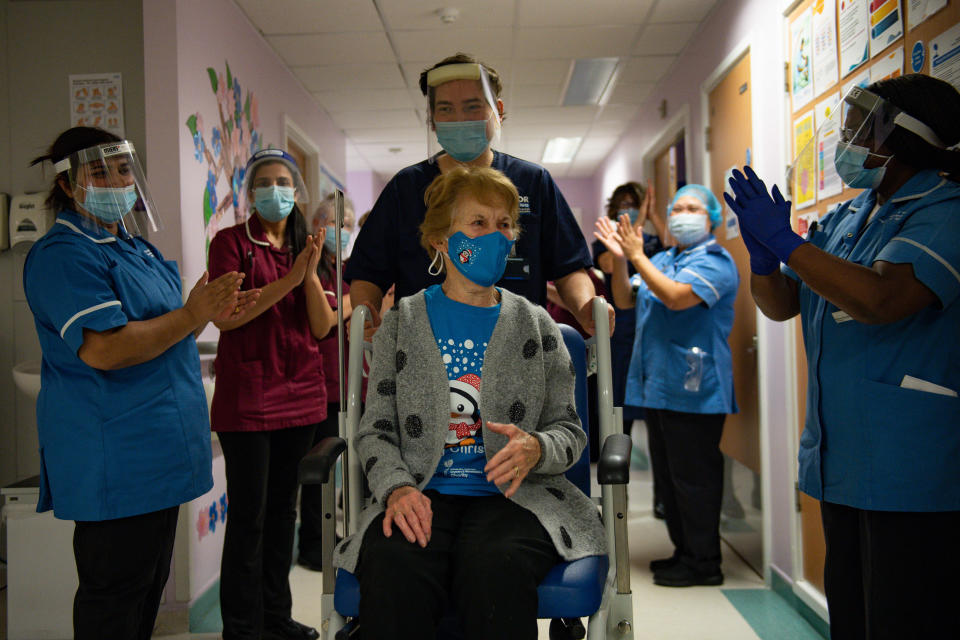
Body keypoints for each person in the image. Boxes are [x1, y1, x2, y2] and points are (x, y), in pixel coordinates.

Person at [725, 74, 960, 639]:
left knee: (905, 619)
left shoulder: (944, 208)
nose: (846, 137)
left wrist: (787, 243)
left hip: (913, 468)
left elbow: (882, 298)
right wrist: (763, 258)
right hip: (842, 463)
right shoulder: (851, 216)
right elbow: (782, 305)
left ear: (900, 136)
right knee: (854, 618)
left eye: (860, 124)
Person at [333, 166, 606, 639]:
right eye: (477, 223)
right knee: (396, 564)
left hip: (518, 498)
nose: (495, 237)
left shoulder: (537, 326)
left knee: (494, 566)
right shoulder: (403, 322)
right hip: (422, 489)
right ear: (440, 239)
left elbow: (570, 430)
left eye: (504, 225)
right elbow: (375, 429)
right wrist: (397, 488)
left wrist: (536, 448)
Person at [23, 126, 258, 639]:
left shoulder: (135, 249)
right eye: (99, 172)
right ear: (67, 184)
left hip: (157, 454)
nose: (116, 181)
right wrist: (191, 312)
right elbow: (104, 349)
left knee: (145, 591)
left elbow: (166, 335)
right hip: (115, 457)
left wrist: (205, 312)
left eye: (124, 170)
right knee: (114, 600)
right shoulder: (63, 255)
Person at [344, 52, 612, 338]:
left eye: (472, 107)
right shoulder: (406, 188)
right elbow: (369, 272)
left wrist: (586, 307)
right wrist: (366, 314)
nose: (460, 119)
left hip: (518, 348)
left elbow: (569, 266)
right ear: (432, 120)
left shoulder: (532, 182)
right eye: (446, 109)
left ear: (497, 111)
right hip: (425, 350)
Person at [208, 148, 336, 640]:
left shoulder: (310, 245)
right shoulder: (230, 244)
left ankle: (275, 621)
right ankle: (241, 629)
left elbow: (323, 326)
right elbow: (228, 316)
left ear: (297, 192)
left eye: (284, 181)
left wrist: (305, 273)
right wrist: (290, 276)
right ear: (250, 193)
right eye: (264, 182)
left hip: (301, 395)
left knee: (284, 514)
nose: (275, 190)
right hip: (248, 400)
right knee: (249, 517)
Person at [594, 184, 738, 587]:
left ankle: (705, 563)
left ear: (710, 216)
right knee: (671, 480)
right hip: (659, 387)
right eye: (677, 207)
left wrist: (638, 255)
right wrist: (622, 261)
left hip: (696, 389)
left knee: (694, 480)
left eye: (692, 207)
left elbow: (676, 299)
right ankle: (684, 553)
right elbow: (623, 300)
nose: (683, 213)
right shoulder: (667, 260)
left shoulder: (715, 262)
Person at [297, 196, 353, 570]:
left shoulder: (343, 271)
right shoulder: (311, 268)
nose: (342, 231)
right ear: (316, 225)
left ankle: (332, 539)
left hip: (344, 384)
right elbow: (326, 320)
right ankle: (314, 548)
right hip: (317, 387)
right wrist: (355, 303)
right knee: (317, 472)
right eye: (335, 223)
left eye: (347, 225)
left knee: (339, 471)